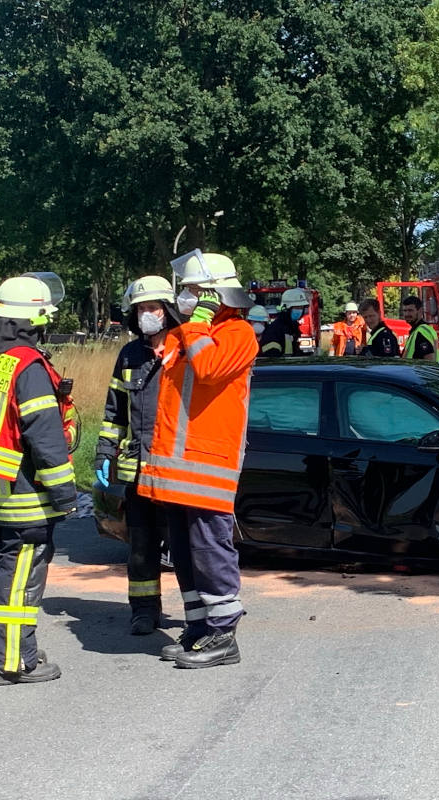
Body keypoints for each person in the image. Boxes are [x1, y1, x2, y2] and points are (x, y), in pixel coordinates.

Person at [137, 250, 257, 669]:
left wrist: (198, 322)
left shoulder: (238, 333)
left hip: (207, 467)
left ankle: (223, 634)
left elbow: (207, 369)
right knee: (185, 551)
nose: (185, 297)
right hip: (175, 467)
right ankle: (199, 627)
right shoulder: (184, 334)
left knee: (210, 549)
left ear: (214, 295)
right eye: (185, 290)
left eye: (193, 290)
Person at [0, 275, 76, 685]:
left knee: (9, 568)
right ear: (33, 320)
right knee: (20, 576)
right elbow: (44, 434)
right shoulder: (27, 365)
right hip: (25, 490)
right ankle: (12, 663)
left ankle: (15, 650)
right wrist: (65, 493)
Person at [95, 276, 183, 635]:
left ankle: (197, 614)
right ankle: (144, 611)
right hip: (138, 469)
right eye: (141, 308)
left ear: (168, 311)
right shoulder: (129, 355)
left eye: (153, 308)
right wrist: (105, 451)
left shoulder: (186, 349)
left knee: (185, 546)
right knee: (141, 547)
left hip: (177, 468)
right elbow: (114, 411)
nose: (146, 314)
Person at [259, 287, 310, 356]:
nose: (300, 311)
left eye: (301, 308)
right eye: (296, 307)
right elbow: (271, 357)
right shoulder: (275, 330)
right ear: (286, 309)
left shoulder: (292, 327)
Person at [401, 295, 439, 361]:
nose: (407, 314)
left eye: (410, 310)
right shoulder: (420, 330)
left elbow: (429, 360)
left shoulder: (421, 332)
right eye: (405, 311)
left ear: (420, 311)